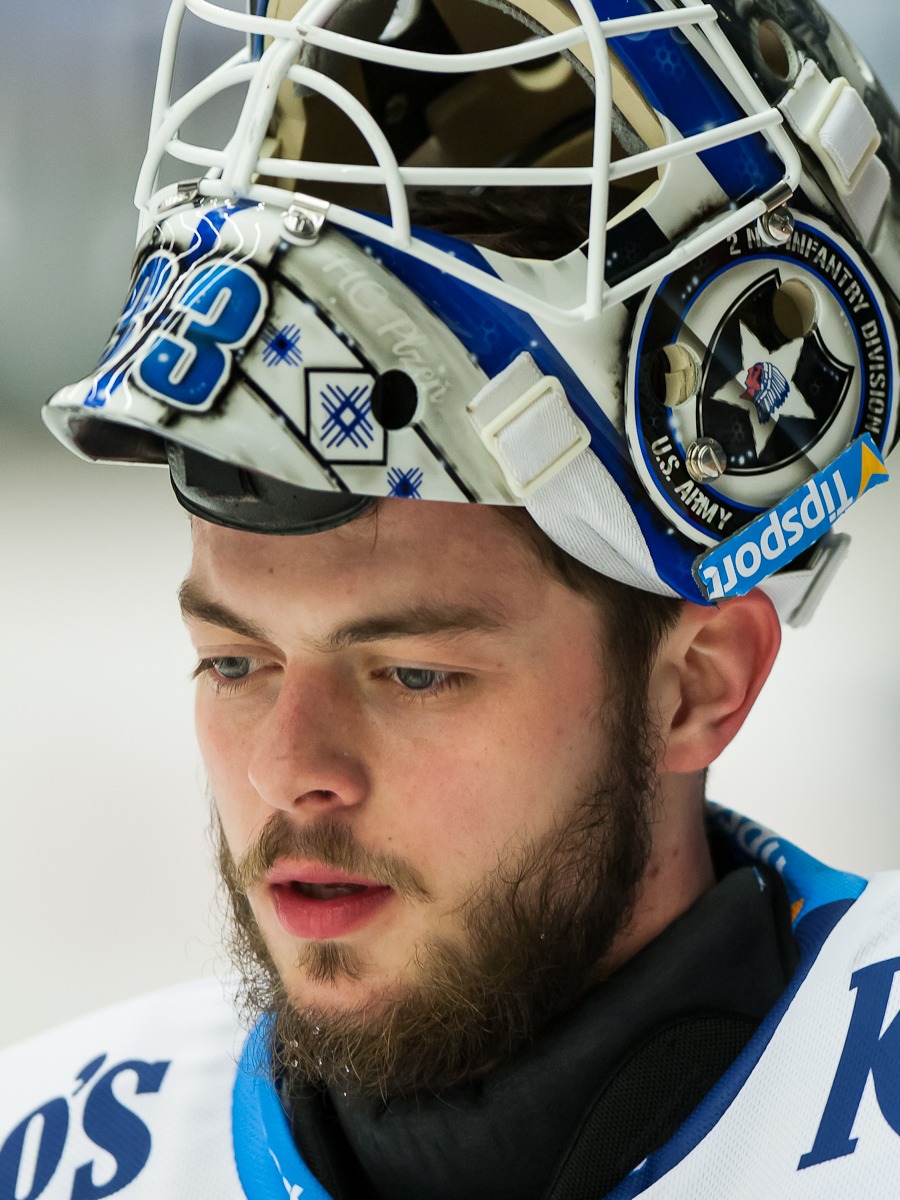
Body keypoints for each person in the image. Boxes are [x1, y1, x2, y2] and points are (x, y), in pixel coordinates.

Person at [3, 0, 900, 1196]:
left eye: (415, 674)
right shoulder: (47, 1152)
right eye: (235, 663)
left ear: (700, 686)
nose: (288, 770)